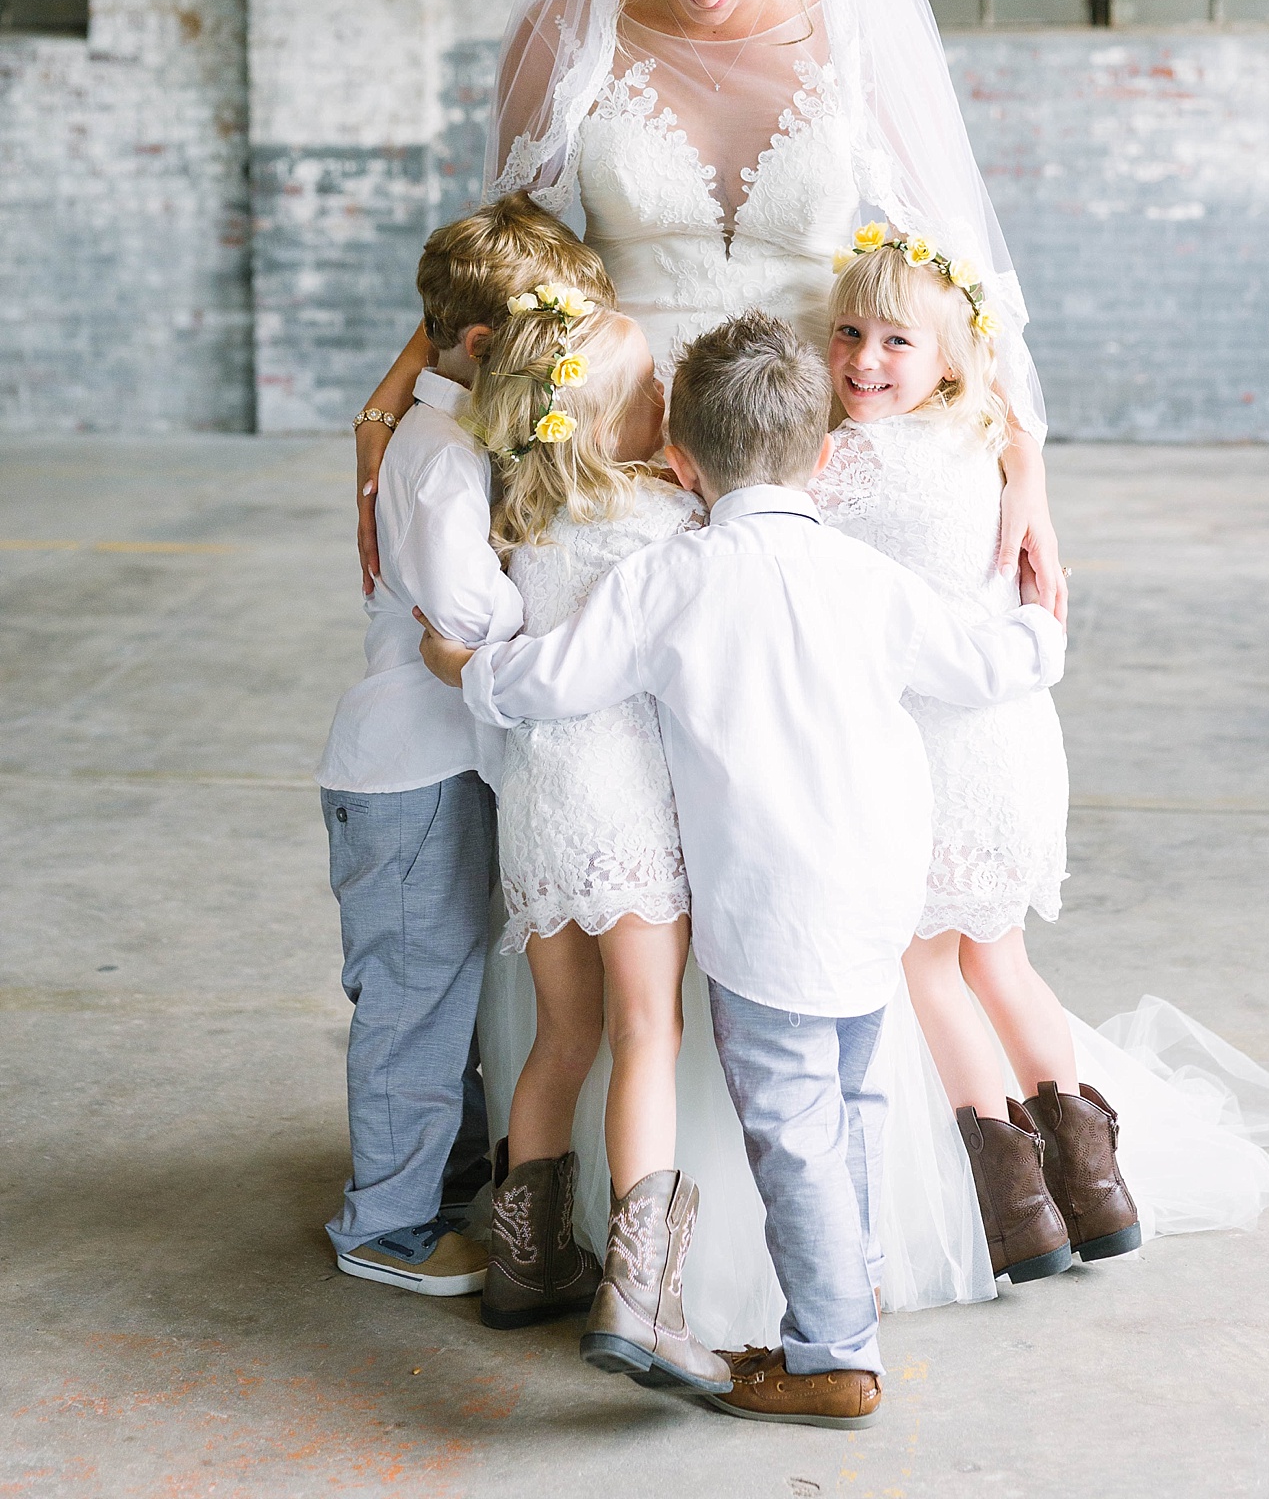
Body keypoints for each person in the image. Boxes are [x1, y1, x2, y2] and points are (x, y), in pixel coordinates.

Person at [420, 311, 1066, 1428]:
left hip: (767, 897)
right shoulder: (862, 574)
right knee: (850, 1100)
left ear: (679, 459)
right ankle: (844, 1299)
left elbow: (546, 683)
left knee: (789, 1115)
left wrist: (463, 666)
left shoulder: (669, 576)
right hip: (875, 881)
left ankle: (828, 1354)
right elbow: (983, 664)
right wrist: (1044, 617)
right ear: (822, 456)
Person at [353, 0, 1066, 634]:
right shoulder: (565, 33)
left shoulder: (858, 32)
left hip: (823, 430)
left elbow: (961, 260)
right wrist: (390, 407)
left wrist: (1027, 457)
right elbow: (494, 263)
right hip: (623, 440)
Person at [816, 225, 1269, 1274]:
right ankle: (1097, 1188)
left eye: (895, 340)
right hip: (1011, 749)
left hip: (936, 750)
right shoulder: (983, 433)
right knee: (998, 957)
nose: (862, 358)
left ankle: (1018, 1211)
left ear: (948, 353)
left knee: (923, 967)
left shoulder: (850, 463)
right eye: (847, 332)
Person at [317, 193, 611, 1296]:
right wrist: (551, 607)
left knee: (441, 983)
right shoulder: (437, 453)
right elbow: (466, 611)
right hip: (407, 768)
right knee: (413, 990)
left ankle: (435, 1182)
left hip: (435, 763)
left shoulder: (445, 431)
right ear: (487, 346)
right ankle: (384, 1225)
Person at [463, 285, 726, 1386]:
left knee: (560, 1039)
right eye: (654, 390)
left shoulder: (521, 522)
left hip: (539, 805)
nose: (668, 396)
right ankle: (638, 1287)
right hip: (624, 807)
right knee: (648, 1032)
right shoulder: (669, 523)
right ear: (617, 422)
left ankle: (525, 1264)